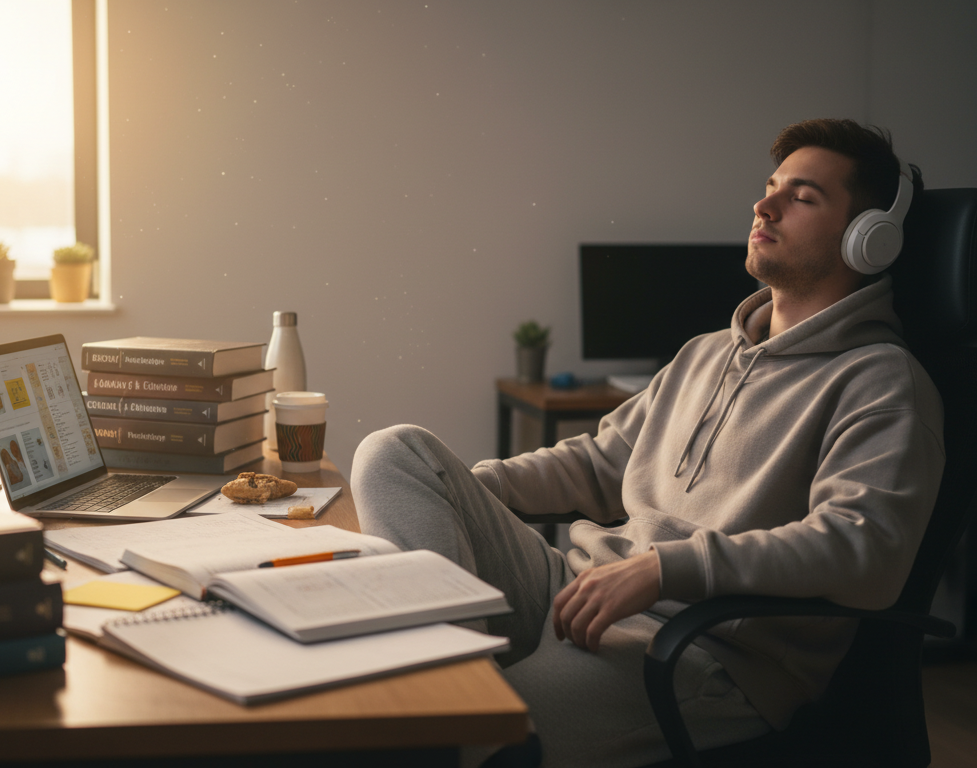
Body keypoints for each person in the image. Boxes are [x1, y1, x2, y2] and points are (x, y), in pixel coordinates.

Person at [350, 118, 944, 768]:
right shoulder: (708, 353)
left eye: (802, 197)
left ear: (868, 240)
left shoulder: (881, 381)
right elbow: (603, 462)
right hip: (580, 587)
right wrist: (458, 492)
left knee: (466, 735)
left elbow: (865, 547)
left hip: (696, 650)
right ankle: (450, 685)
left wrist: (666, 567)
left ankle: (455, 717)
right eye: (770, 186)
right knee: (393, 451)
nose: (763, 205)